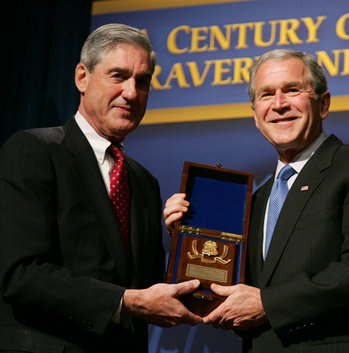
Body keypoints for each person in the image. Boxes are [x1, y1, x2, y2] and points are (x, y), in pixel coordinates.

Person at [164, 48, 349, 353]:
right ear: (256, 115)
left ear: (323, 104)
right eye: (266, 95)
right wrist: (189, 239)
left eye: (292, 90)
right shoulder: (257, 202)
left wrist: (269, 304)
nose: (279, 104)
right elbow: (241, 294)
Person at [0, 23, 202, 353]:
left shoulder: (143, 182)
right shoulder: (34, 150)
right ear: (82, 77)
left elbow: (148, 291)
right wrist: (125, 302)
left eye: (143, 81)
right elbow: (20, 275)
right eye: (118, 76)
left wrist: (183, 242)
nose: (132, 93)